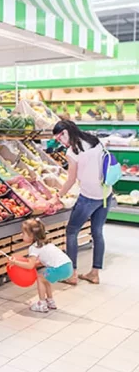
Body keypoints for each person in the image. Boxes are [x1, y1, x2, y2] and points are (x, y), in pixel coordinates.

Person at [52, 120, 112, 285]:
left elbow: (71, 179)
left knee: (71, 231)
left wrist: (58, 196)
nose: (60, 142)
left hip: (88, 197)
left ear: (65, 132)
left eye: (59, 138)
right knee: (97, 232)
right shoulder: (94, 140)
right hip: (105, 194)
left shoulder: (73, 151)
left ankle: (72, 274)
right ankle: (94, 273)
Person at [9, 218, 73, 313]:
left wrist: (15, 263)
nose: (21, 235)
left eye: (23, 233)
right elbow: (44, 261)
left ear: (31, 236)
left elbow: (30, 266)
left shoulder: (34, 247)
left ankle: (42, 304)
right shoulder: (45, 243)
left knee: (40, 279)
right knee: (45, 279)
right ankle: (50, 301)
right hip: (68, 266)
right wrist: (33, 264)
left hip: (59, 268)